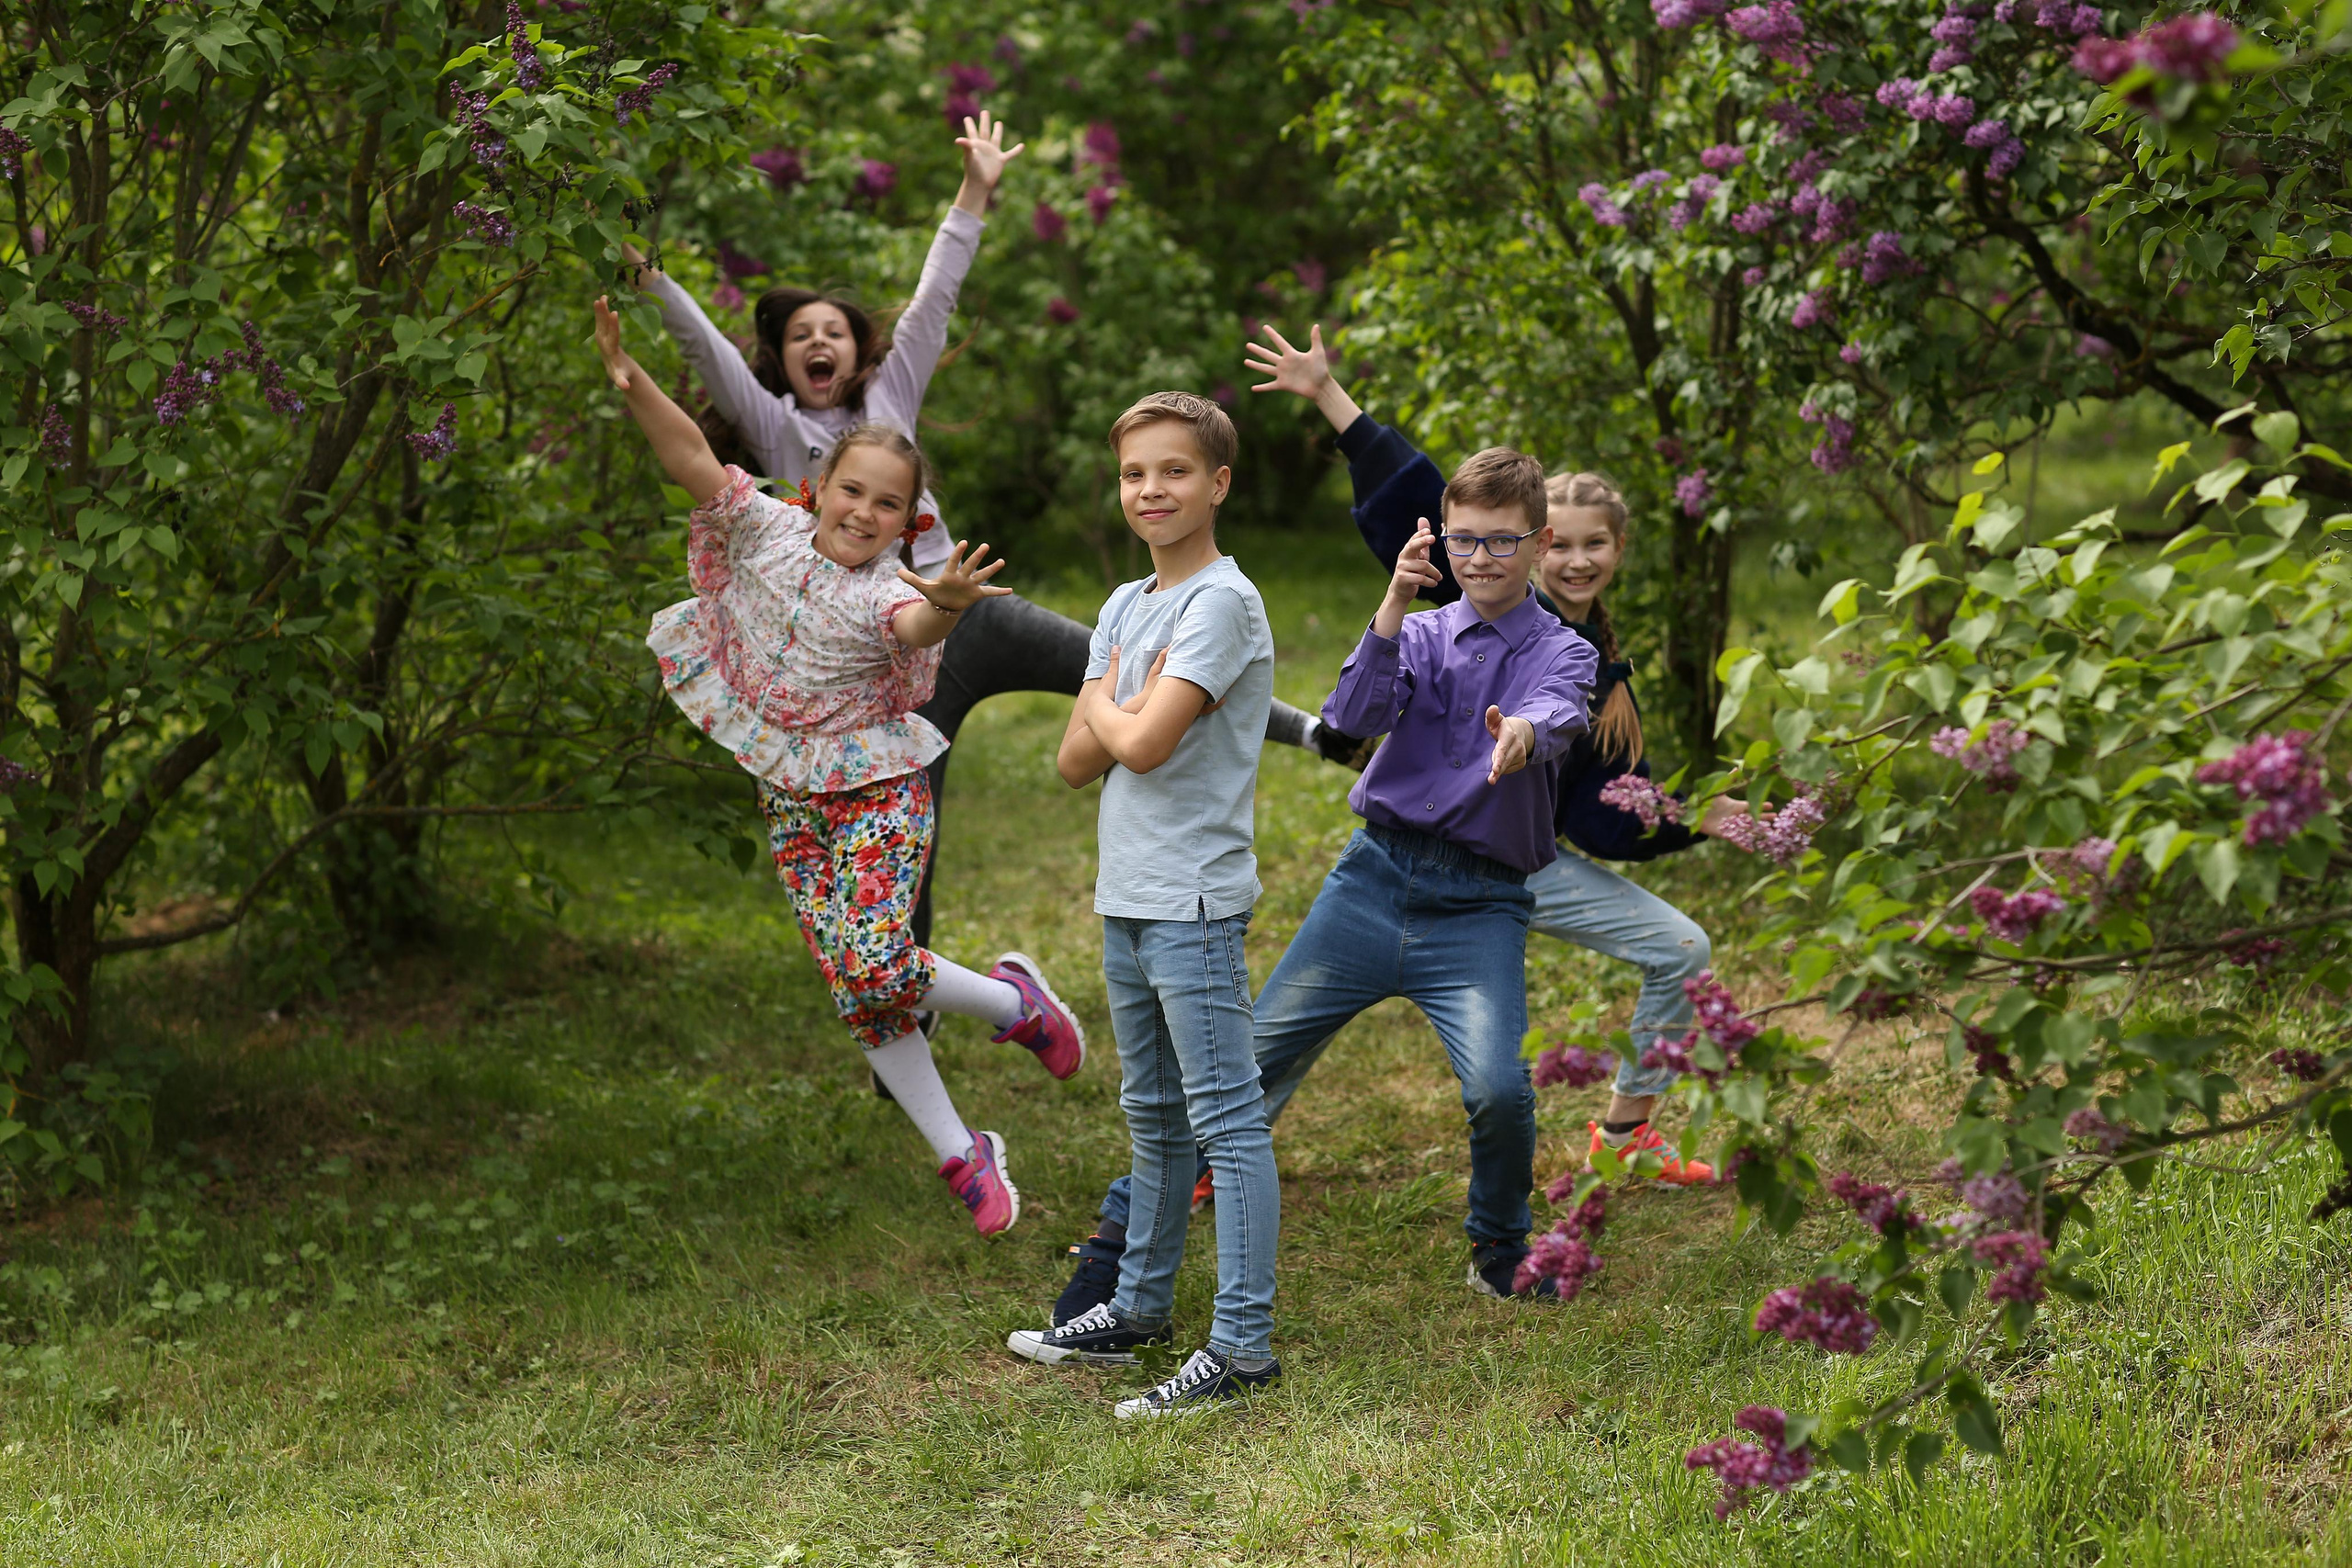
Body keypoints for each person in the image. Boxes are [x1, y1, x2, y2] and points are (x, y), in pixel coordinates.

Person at [621, 111, 1331, 976]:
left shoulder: (893, 394)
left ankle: (1310, 732)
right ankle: (901, 999)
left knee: (1122, 664)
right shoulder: (776, 435)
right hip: (883, 651)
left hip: (968, 606)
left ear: (859, 349)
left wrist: (974, 189)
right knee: (903, 835)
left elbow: (934, 297)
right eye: (799, 334)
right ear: (778, 356)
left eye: (833, 330)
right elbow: (703, 347)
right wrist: (650, 280)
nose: (818, 341)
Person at [594, 296, 1085, 1238]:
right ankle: (960, 1152)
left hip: (875, 795)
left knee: (873, 960)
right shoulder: (761, 528)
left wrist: (944, 602)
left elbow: (915, 628)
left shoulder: (888, 593)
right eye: (853, 491)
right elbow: (688, 459)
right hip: (792, 795)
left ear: (907, 524)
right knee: (856, 986)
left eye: (889, 504)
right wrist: (631, 380)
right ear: (818, 488)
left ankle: (1010, 1003)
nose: (865, 510)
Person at [1243, 323, 1751, 1187]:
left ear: (1610, 550)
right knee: (1298, 1012)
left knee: (1681, 947)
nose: (1578, 557)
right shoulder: (1474, 575)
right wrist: (1330, 396)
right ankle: (1229, 1145)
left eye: (1599, 543)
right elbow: (1416, 490)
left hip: (1521, 861)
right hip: (1420, 850)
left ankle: (1628, 1133)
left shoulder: (1590, 652)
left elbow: (1597, 809)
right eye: (1566, 540)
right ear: (1534, 538)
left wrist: (1685, 814)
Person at [1003, 393, 1283, 1419]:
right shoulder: (1127, 605)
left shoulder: (1221, 602)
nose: (1150, 490)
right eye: (1133, 475)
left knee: (1225, 1122)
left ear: (1217, 482)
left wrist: (1112, 701)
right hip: (1127, 894)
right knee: (1154, 1116)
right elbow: (1079, 759)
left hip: (1192, 901)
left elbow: (1142, 744)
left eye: (1173, 471)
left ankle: (1243, 1349)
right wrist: (1123, 699)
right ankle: (1135, 1308)